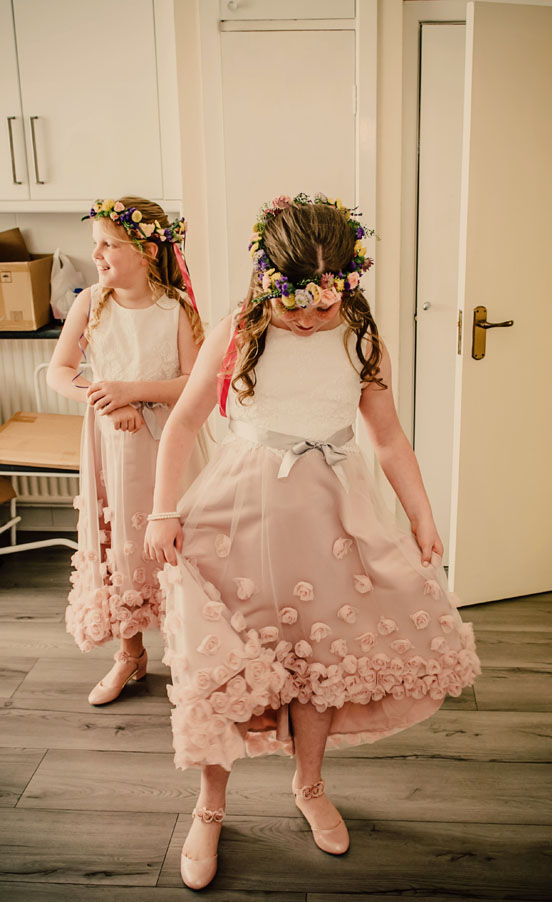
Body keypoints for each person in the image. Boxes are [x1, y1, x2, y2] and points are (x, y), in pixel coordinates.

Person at [145, 193, 481, 891]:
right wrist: (161, 511)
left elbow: (388, 438)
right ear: (267, 278)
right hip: (236, 514)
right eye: (296, 303)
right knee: (223, 668)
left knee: (318, 658)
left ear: (347, 286)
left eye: (324, 305)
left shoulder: (361, 338)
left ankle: (310, 783)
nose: (308, 318)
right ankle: (210, 806)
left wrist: (421, 514)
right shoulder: (239, 330)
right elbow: (182, 425)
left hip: (329, 518)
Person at [47, 196, 208, 706]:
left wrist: (131, 391)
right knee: (123, 546)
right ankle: (130, 653)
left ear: (146, 251)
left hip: (169, 444)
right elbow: (60, 372)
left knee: (177, 544)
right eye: (94, 244)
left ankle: (187, 654)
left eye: (108, 245)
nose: (96, 254)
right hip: (112, 449)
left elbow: (193, 383)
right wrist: (105, 400)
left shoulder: (176, 308)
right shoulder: (90, 302)